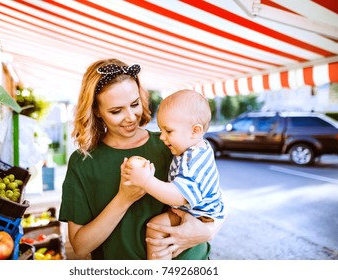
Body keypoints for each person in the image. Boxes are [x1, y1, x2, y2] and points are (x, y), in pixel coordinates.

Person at [58, 58, 224, 260]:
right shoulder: (83, 162)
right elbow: (80, 246)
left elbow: (211, 197)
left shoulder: (170, 143)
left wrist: (208, 231)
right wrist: (124, 198)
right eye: (116, 111)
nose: (130, 117)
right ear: (96, 111)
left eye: (134, 104)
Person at [122, 89, 226, 260]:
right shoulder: (194, 148)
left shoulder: (193, 160)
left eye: (168, 131)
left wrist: (146, 181)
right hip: (197, 213)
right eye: (161, 130)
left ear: (195, 131)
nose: (162, 137)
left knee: (156, 228)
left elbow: (179, 197)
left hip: (200, 216)